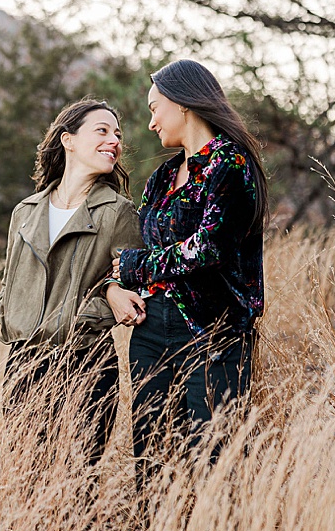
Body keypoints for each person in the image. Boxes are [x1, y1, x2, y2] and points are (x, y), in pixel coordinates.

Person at [105, 59, 268, 462]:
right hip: (151, 333)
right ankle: (158, 529)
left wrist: (138, 267)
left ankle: (217, 530)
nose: (151, 123)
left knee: (215, 464)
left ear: (182, 104)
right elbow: (137, 245)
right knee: (152, 460)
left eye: (153, 108)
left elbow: (209, 249)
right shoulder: (162, 178)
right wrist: (119, 284)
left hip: (214, 335)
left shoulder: (231, 165)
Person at [0, 98, 139, 468]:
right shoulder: (25, 212)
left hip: (87, 363)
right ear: (68, 140)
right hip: (24, 364)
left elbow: (135, 284)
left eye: (117, 134)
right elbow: (11, 280)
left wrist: (92, 308)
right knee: (29, 484)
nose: (114, 141)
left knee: (77, 487)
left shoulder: (118, 211)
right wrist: (10, 313)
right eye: (102, 131)